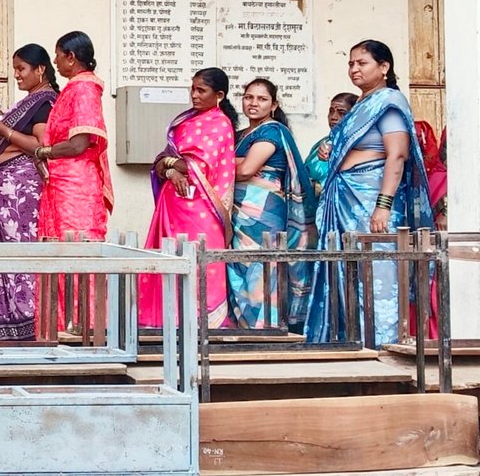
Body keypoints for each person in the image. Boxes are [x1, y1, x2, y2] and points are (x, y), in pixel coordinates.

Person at [304, 40, 434, 345]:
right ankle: (350, 344)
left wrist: (383, 205)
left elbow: (396, 155)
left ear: (384, 67)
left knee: (375, 275)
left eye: (362, 63)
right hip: (346, 202)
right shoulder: (362, 104)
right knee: (347, 274)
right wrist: (331, 150)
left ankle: (381, 346)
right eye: (351, 63)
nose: (354, 69)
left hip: (371, 202)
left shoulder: (388, 102)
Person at [137, 68, 236, 328]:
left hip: (202, 210)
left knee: (200, 266)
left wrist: (173, 164)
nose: (194, 95)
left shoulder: (220, 124)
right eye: (192, 89)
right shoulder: (185, 121)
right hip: (173, 206)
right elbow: (161, 161)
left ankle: (203, 328)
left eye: (201, 90)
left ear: (219, 95)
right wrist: (171, 171)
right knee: (170, 262)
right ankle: (168, 324)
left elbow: (199, 166)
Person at [0, 45, 59, 341]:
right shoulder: (31, 101)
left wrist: (4, 131)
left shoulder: (45, 103)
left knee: (22, 254)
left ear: (40, 69)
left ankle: (28, 321)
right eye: (15, 69)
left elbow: (41, 145)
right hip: (7, 196)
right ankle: (9, 322)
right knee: (6, 256)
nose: (17, 75)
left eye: (21, 69)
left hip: (21, 196)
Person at [34, 31, 114, 332]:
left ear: (71, 57)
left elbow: (79, 144)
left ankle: (86, 327)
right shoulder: (75, 87)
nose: (54, 61)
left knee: (78, 251)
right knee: (60, 251)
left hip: (76, 187)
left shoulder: (83, 88)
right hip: (63, 183)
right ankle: (63, 327)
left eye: (58, 55)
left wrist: (43, 152)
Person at [230, 78, 317, 331]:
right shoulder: (241, 135)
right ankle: (246, 326)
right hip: (238, 211)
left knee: (261, 264)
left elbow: (246, 170)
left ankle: (265, 326)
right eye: (249, 97)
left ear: (274, 104)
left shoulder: (272, 131)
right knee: (240, 264)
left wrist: (225, 164)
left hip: (263, 213)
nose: (253, 103)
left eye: (262, 99)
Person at [304, 93, 357, 196]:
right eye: (331, 111)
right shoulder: (322, 143)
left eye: (341, 113)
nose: (333, 117)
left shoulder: (358, 146)